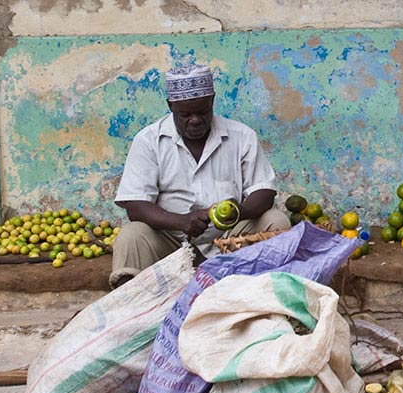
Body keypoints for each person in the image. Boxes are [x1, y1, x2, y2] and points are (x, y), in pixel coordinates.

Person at [109, 63, 290, 288]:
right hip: (171, 242)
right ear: (170, 106)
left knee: (276, 221)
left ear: (212, 102)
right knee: (131, 235)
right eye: (185, 114)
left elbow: (264, 191)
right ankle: (130, 308)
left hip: (230, 240)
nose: (194, 120)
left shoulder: (241, 136)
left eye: (202, 112)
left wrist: (237, 211)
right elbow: (135, 205)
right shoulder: (148, 141)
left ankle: (272, 295)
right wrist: (181, 221)